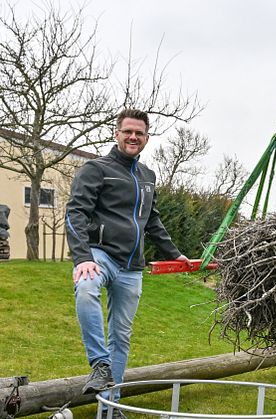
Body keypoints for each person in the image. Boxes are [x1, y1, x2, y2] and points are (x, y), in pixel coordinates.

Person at [66, 109, 189, 416]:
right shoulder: (96, 169)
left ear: (146, 138)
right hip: (100, 255)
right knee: (85, 287)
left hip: (133, 267)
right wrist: (82, 258)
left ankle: (110, 408)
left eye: (140, 133)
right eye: (128, 131)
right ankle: (99, 365)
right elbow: (75, 213)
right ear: (116, 133)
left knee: (121, 336)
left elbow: (152, 220)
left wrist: (174, 253)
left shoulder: (148, 176)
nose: (133, 137)